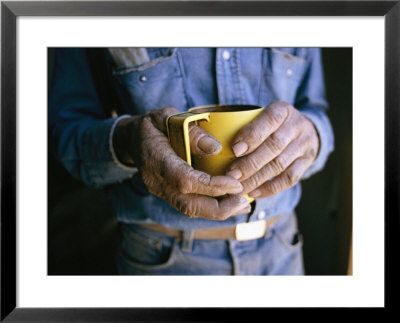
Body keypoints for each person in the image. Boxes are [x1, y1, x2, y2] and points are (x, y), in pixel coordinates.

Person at [48, 47, 334, 275]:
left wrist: (312, 135)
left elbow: (315, 110)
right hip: (162, 261)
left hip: (283, 252)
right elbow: (66, 137)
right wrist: (128, 140)